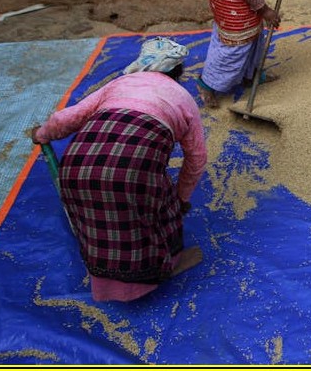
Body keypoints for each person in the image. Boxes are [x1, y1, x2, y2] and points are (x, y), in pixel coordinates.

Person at [31, 37, 208, 302]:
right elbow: (196, 158)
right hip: (132, 170)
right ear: (178, 72)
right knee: (162, 211)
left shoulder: (119, 84)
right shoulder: (182, 97)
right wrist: (181, 198)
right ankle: (163, 266)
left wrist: (42, 134)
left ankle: (106, 283)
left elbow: (66, 119)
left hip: (76, 166)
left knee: (98, 218)